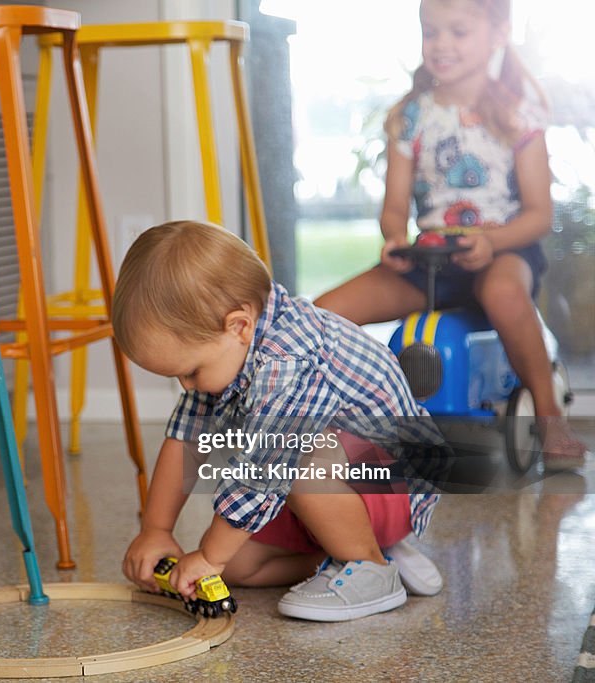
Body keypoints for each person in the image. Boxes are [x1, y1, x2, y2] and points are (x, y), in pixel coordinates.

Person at [113, 221, 447, 622]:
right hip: (337, 490)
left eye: (191, 372)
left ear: (238, 326)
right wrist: (157, 530)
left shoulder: (287, 360)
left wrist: (207, 555)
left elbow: (263, 472)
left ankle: (370, 568)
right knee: (237, 566)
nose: (187, 386)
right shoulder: (231, 342)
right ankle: (350, 552)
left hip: (396, 486)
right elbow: (185, 439)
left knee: (301, 457)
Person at [314, 0, 588, 470]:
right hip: (430, 258)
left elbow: (539, 215)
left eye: (457, 32)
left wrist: (492, 243)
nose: (441, 45)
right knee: (324, 314)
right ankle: (341, 423)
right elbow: (395, 208)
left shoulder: (519, 113)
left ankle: (548, 416)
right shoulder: (411, 116)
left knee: (503, 292)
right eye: (431, 31)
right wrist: (395, 239)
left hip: (502, 250)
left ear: (498, 33)